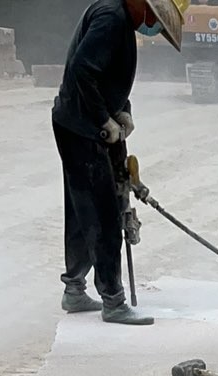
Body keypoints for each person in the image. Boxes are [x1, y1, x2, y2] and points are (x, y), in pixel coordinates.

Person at [52, 0, 182, 325]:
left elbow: (107, 76)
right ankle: (113, 301)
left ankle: (74, 289)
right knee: (103, 213)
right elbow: (83, 69)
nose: (153, 27)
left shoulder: (120, 19)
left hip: (81, 124)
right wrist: (103, 120)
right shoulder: (112, 17)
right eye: (155, 18)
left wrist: (123, 111)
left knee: (82, 210)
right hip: (82, 127)